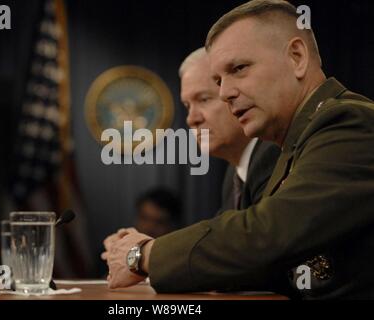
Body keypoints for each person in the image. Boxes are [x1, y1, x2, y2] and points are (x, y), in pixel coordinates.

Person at [103, 0, 374, 299]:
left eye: (239, 68)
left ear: (296, 57)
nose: (225, 93)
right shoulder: (294, 142)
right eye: (219, 80)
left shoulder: (350, 121)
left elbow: (268, 234)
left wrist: (144, 254)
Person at [179, 47, 280, 212]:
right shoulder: (233, 174)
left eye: (204, 99)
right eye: (187, 106)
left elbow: (254, 233)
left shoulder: (272, 155)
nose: (192, 119)